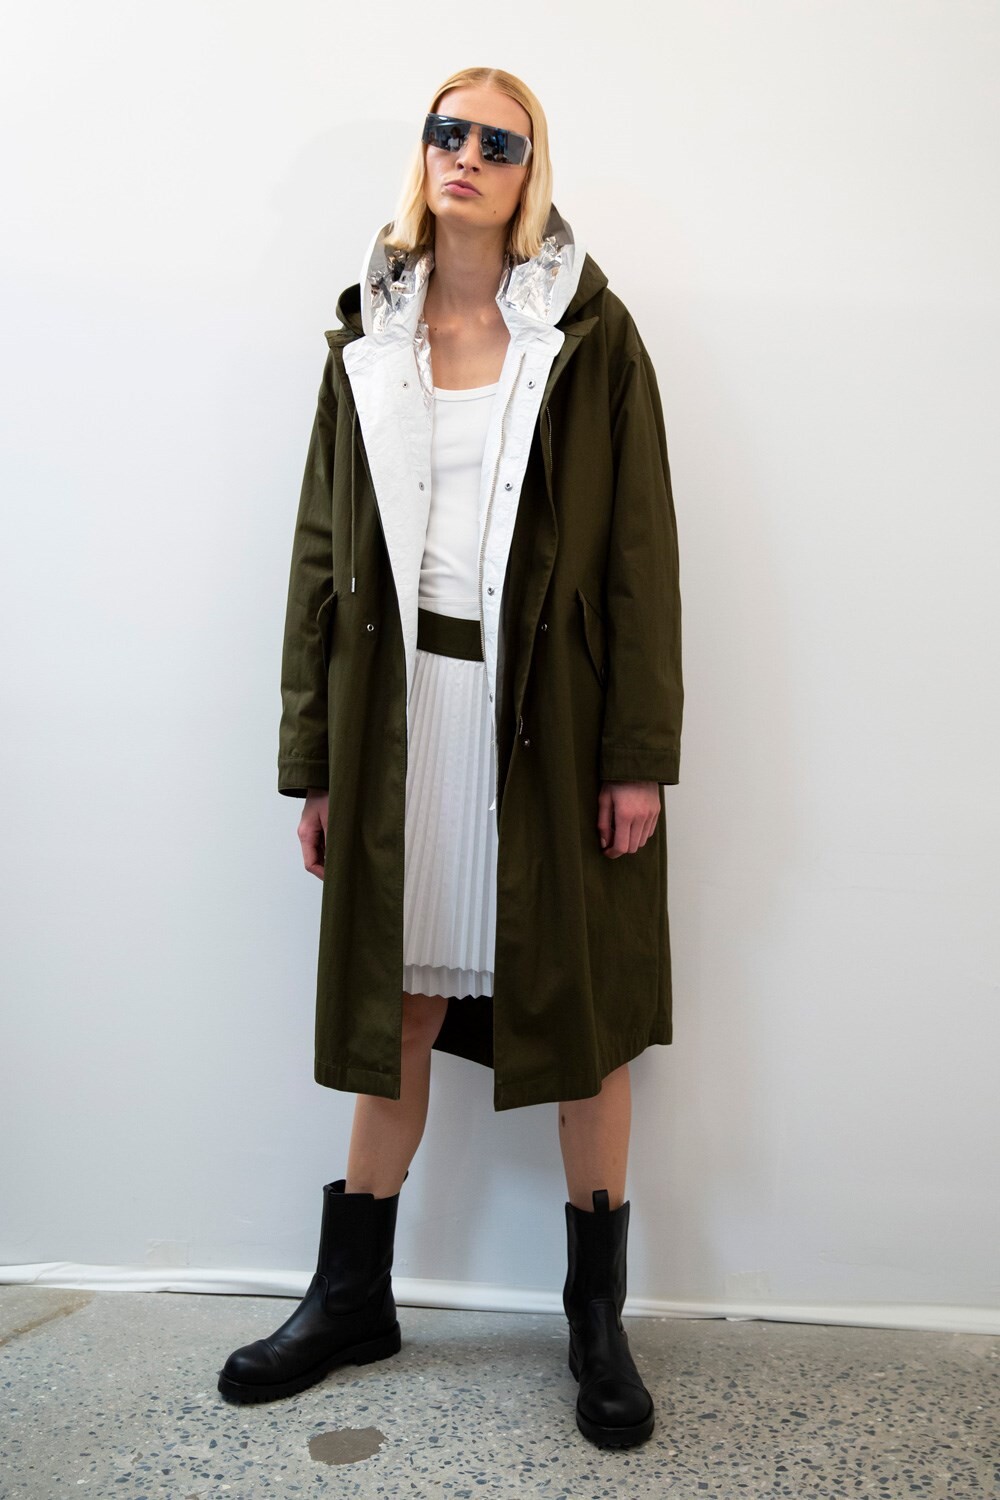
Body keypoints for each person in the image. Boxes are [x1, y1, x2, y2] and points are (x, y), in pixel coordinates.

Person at [218, 66, 683, 1451]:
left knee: (580, 1017)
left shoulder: (591, 336)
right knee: (402, 1004)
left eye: (498, 139)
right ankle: (352, 1295)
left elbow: (642, 554)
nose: (465, 154)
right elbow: (319, 556)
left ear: (532, 169)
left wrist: (637, 753)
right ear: (422, 154)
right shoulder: (366, 335)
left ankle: (595, 1321)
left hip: (549, 723)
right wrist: (313, 760)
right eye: (446, 131)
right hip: (398, 715)